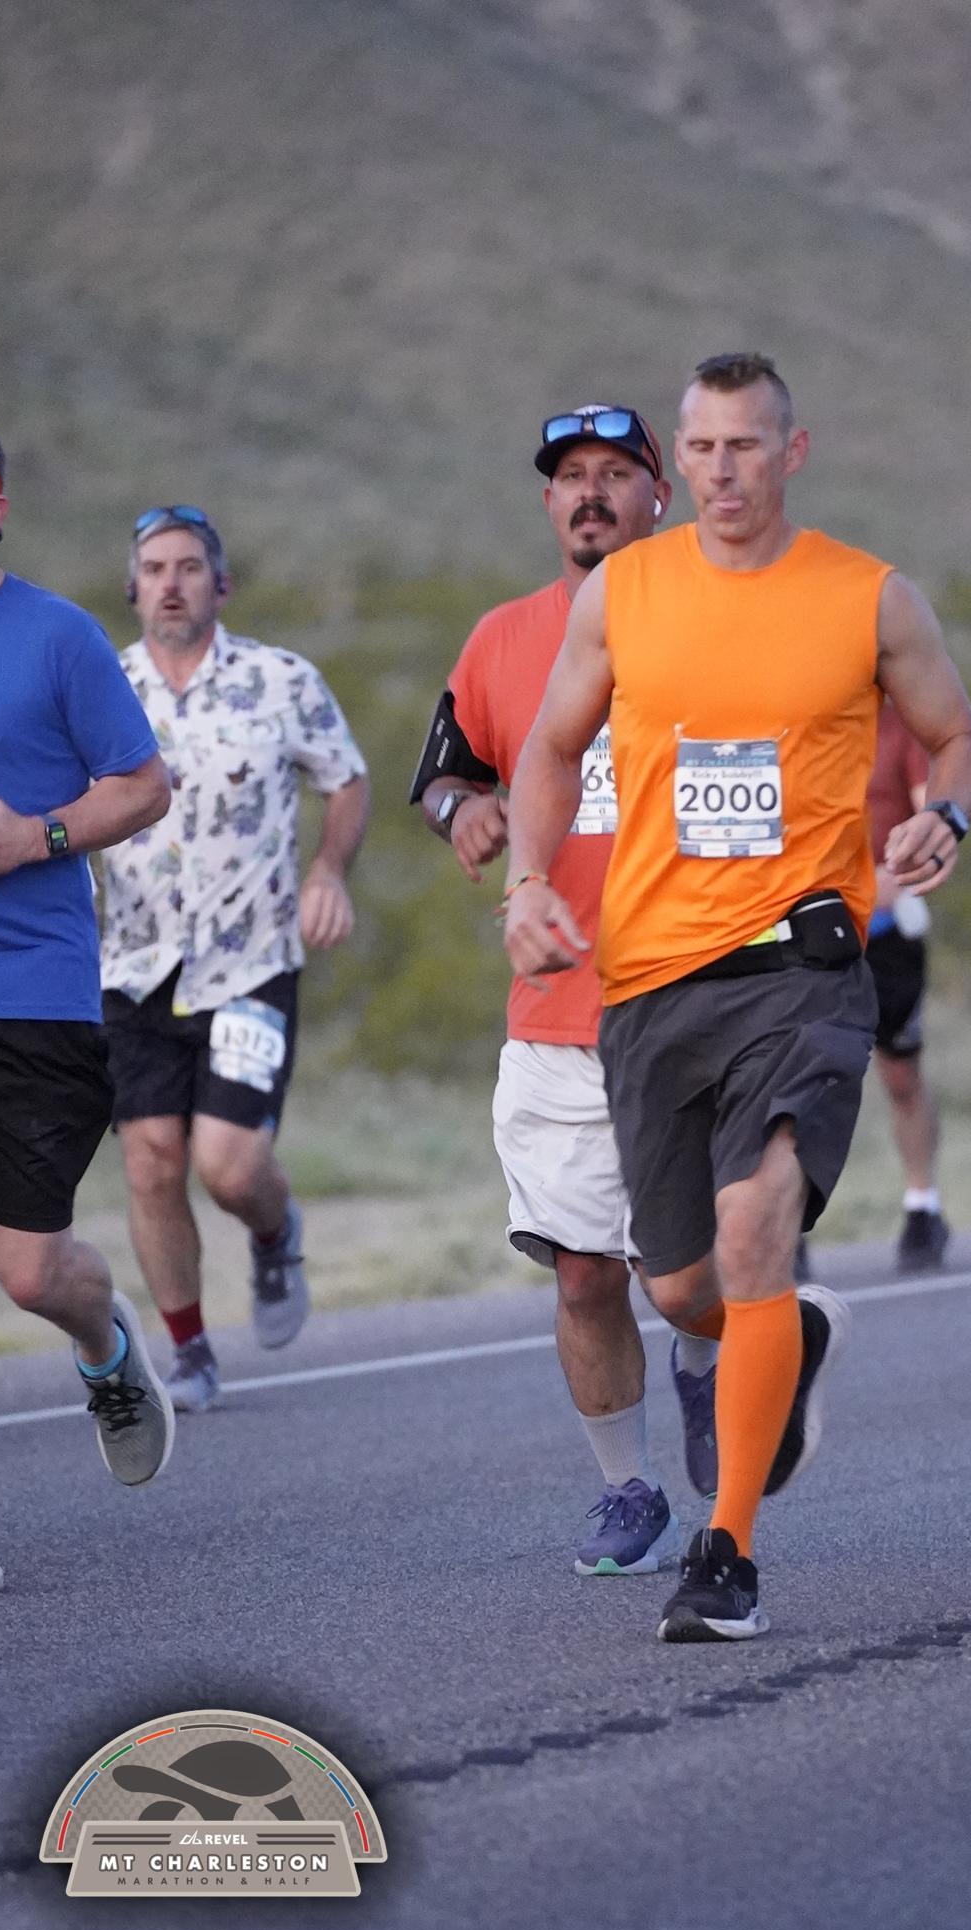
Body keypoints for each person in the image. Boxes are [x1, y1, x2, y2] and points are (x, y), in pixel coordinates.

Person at [502, 353, 971, 1643]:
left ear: (793, 452)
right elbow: (550, 746)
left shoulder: (867, 595)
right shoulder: (622, 592)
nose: (723, 472)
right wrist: (527, 882)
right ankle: (790, 1339)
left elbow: (963, 737)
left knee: (755, 1227)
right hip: (650, 978)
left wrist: (942, 815)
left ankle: (725, 1555)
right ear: (683, 457)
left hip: (802, 968)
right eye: (703, 448)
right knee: (679, 1289)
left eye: (746, 446)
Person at [412, 404, 729, 1577]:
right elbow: (441, 774)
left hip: (694, 999)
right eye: (570, 477)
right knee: (585, 1271)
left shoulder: (717, 622)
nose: (590, 492)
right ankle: (627, 1490)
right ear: (548, 503)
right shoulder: (502, 638)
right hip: (555, 1011)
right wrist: (464, 810)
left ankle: (704, 1360)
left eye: (614, 473)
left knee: (680, 1279)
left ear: (660, 497)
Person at [0, 416, 176, 1596]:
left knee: (31, 1272)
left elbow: (142, 785)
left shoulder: (54, 637)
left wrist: (34, 835)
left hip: (28, 995)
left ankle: (104, 1346)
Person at [98, 506, 369, 1413]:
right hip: (133, 964)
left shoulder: (279, 679)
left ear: (221, 583)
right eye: (154, 569)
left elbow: (345, 777)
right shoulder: (101, 688)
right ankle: (189, 1354)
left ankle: (273, 1231)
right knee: (150, 1159)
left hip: (251, 961)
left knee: (229, 1166)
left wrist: (327, 871)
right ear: (132, 588)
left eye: (188, 567)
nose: (170, 583)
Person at [866, 696, 951, 1270]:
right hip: (807, 931)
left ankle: (923, 1204)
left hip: (886, 932)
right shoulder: (793, 721)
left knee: (901, 1075)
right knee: (797, 1084)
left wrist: (895, 877)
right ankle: (785, 1225)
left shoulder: (899, 729)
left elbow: (931, 826)